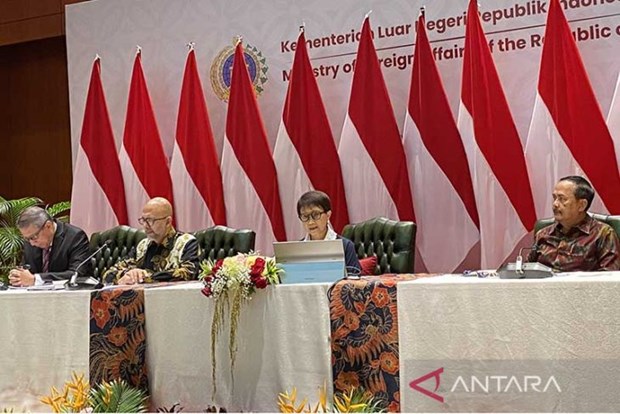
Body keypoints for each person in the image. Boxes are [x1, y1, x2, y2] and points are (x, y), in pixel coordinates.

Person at [528, 176, 620, 272]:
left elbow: (609, 277)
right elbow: (527, 271)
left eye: (562, 199)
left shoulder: (602, 234)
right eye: (554, 198)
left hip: (583, 286)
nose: (555, 204)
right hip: (543, 287)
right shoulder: (543, 234)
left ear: (581, 205)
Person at [103, 197, 199, 285]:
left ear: (168, 222)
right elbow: (108, 274)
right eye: (143, 220)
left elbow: (188, 273)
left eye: (150, 220)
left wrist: (144, 276)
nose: (145, 225)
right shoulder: (143, 245)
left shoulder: (186, 242)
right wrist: (126, 275)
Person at [9, 206, 91, 287]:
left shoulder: (75, 237)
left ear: (48, 226)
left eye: (33, 237)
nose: (31, 243)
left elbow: (77, 274)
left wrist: (37, 279)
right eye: (27, 239)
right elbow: (27, 270)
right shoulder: (30, 242)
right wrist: (18, 276)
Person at [297, 190, 361, 272]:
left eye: (316, 215)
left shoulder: (345, 246)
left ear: (328, 215)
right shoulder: (297, 249)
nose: (310, 222)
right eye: (305, 216)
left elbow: (354, 279)